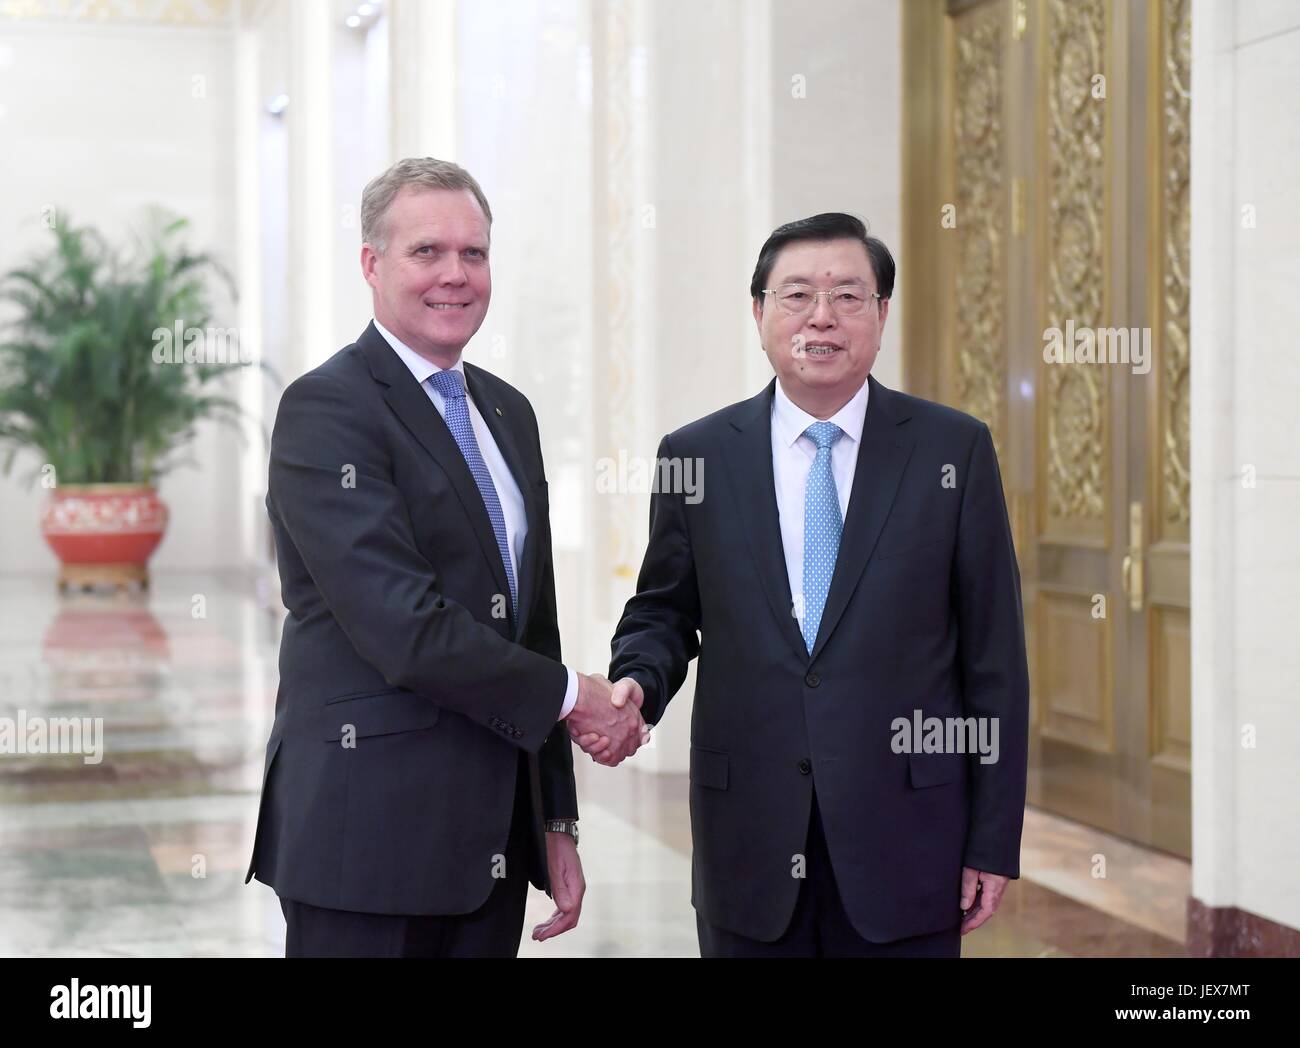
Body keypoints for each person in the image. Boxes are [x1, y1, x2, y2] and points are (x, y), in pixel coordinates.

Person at [579, 213, 1029, 957]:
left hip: (909, 841)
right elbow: (664, 610)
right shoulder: (697, 457)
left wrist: (993, 838)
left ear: (882, 315)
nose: (822, 315)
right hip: (748, 840)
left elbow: (995, 661)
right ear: (758, 312)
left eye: (849, 296)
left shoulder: (954, 450)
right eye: (796, 295)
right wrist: (636, 683)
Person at [245, 157, 647, 958]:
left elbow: (534, 627)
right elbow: (404, 627)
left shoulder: (507, 411)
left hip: (488, 843)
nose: (455, 275)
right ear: (372, 264)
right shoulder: (328, 409)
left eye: (474, 254)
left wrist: (553, 822)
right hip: (364, 842)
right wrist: (578, 699)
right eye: (427, 252)